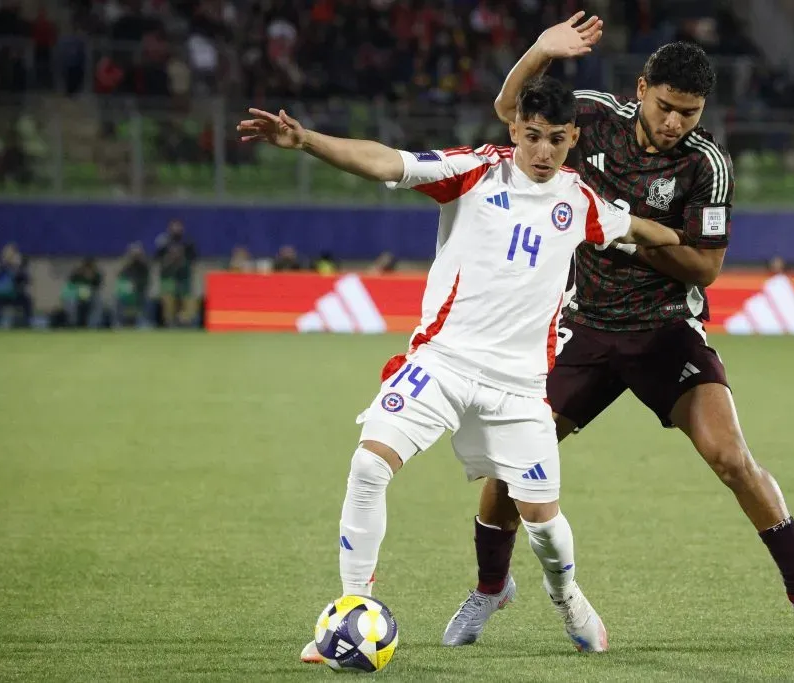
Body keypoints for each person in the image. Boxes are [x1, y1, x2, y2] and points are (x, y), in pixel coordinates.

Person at [236, 75, 682, 660]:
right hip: (442, 363)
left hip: (521, 387)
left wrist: (681, 240)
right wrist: (306, 141)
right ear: (513, 130)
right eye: (531, 136)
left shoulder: (579, 201)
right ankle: (350, 612)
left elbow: (634, 228)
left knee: (542, 522)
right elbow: (384, 162)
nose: (542, 151)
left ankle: (567, 596)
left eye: (555, 138)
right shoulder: (472, 171)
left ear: (573, 136)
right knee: (369, 464)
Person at [442, 14, 794, 657]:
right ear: (641, 89)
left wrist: (619, 228)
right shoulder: (594, 117)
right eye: (665, 107)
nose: (674, 123)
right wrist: (541, 51)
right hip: (581, 324)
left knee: (730, 457)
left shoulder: (706, 163)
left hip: (664, 331)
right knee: (510, 463)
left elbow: (705, 266)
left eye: (689, 112)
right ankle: (491, 586)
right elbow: (510, 109)